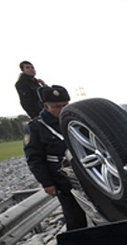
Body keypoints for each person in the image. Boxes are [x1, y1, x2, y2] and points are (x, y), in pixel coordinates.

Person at [24, 85, 87, 231]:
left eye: (65, 105)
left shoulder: (75, 119)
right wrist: (47, 183)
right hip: (63, 179)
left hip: (86, 173)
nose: (62, 109)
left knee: (99, 212)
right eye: (57, 106)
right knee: (74, 217)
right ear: (46, 106)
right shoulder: (36, 127)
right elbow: (34, 158)